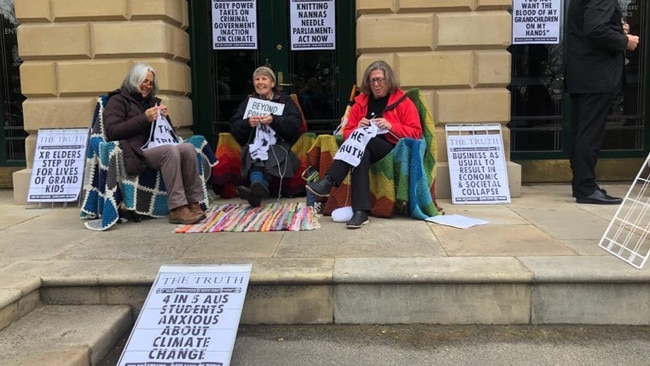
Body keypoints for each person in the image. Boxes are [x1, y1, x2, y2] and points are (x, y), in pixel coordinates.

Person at [307, 60, 422, 228]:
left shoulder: (402, 101)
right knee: (362, 152)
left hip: (390, 147)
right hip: (364, 148)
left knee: (363, 145)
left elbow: (416, 132)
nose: (376, 84)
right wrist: (356, 128)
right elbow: (346, 133)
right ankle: (361, 211)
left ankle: (329, 181)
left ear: (388, 80)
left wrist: (391, 126)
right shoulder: (360, 102)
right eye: (372, 80)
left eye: (380, 79)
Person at [103, 63, 206, 224]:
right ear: (134, 80)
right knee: (170, 151)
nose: (148, 86)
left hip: (157, 146)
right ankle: (177, 208)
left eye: (151, 83)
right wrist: (144, 119)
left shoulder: (154, 102)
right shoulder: (117, 101)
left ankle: (194, 202)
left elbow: (167, 134)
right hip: (136, 150)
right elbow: (113, 132)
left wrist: (165, 117)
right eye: (144, 81)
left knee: (187, 148)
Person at [565, 0, 639, 204]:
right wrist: (625, 41)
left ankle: (582, 185)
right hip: (596, 76)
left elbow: (592, 24)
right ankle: (586, 188)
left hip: (584, 74)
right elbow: (596, 29)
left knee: (582, 131)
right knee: (589, 133)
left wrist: (617, 28)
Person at [230, 66, 303, 207]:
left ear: (272, 84)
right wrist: (248, 123)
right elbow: (234, 125)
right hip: (254, 143)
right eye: (257, 79)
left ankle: (255, 189)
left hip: (278, 143)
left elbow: (295, 123)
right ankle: (258, 188)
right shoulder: (248, 102)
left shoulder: (285, 100)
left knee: (271, 153)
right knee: (254, 150)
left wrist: (274, 120)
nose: (260, 82)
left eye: (264, 78)